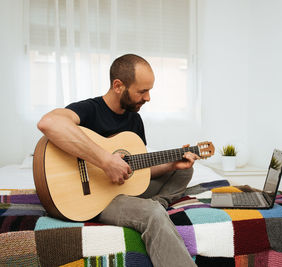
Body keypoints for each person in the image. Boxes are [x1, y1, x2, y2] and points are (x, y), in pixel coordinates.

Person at [37, 54, 199, 267]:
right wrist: (105, 160)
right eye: (142, 91)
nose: (148, 97)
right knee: (153, 213)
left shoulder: (135, 119)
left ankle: (156, 201)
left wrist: (171, 165)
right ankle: (152, 207)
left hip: (124, 189)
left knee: (184, 169)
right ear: (118, 85)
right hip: (96, 198)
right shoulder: (89, 109)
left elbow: (139, 171)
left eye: (149, 90)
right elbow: (48, 123)